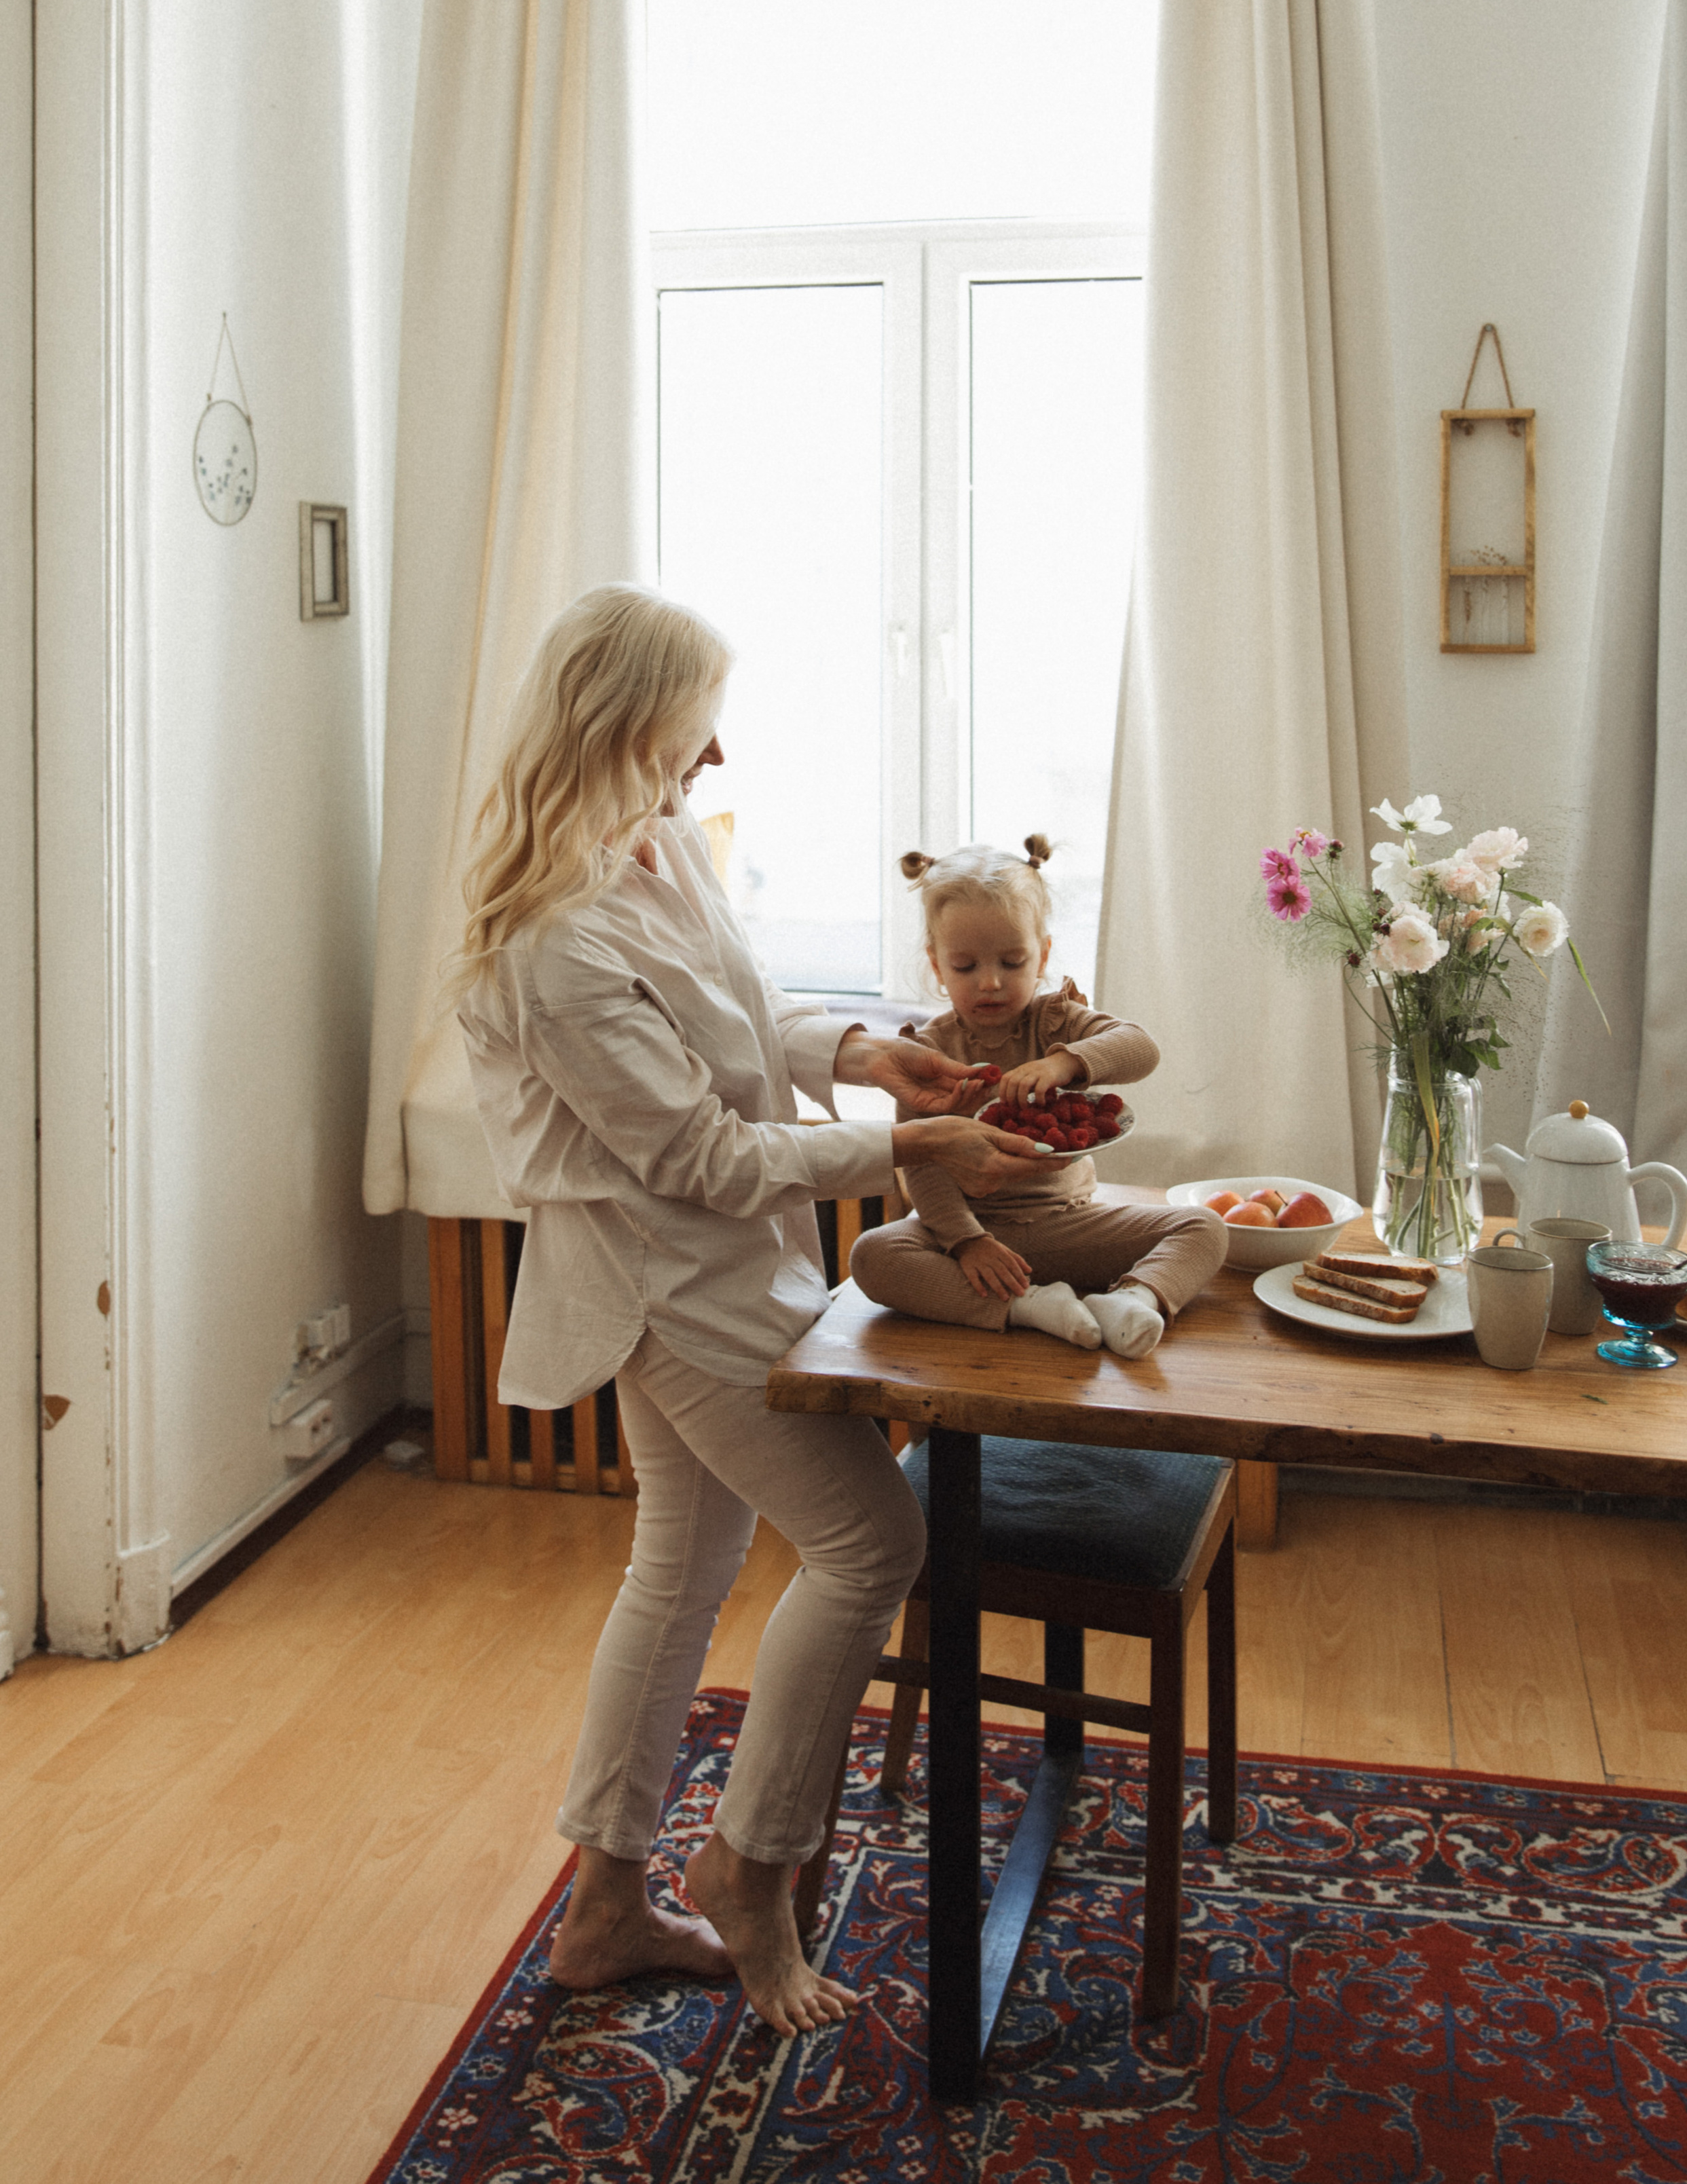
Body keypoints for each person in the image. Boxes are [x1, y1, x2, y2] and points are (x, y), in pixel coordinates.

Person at [451, 585, 1052, 2037]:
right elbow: (700, 1159)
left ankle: (605, 1908)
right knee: (871, 1543)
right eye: (695, 727)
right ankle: (751, 1867)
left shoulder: (653, 843)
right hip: (669, 1286)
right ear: (624, 725)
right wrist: (910, 1147)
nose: (714, 756)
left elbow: (739, 1015)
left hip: (723, 1267)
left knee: (680, 1566)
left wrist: (862, 1056)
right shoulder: (550, 944)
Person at [849, 838, 1227, 1357]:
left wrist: (1063, 1063)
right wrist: (968, 1242)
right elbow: (923, 1168)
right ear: (936, 966)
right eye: (964, 966)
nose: (990, 982)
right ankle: (1030, 1305)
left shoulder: (1057, 1021)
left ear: (1043, 954)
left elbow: (1142, 1048)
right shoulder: (927, 1053)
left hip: (1070, 1224)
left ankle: (1132, 1301)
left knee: (1205, 1227)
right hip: (972, 1233)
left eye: (1012, 961)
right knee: (873, 1255)